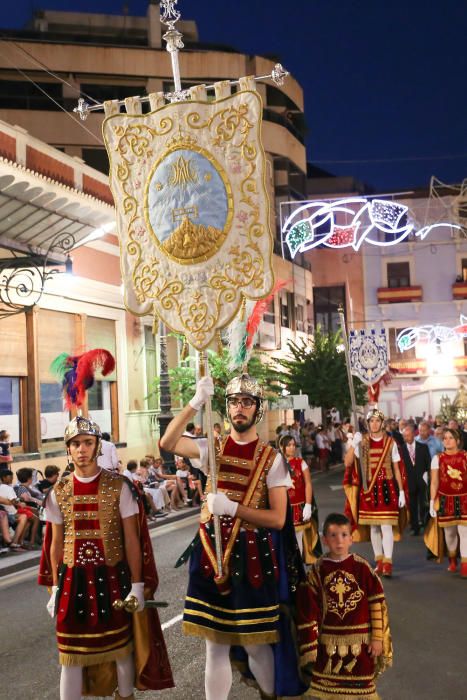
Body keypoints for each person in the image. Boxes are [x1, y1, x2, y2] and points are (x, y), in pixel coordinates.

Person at [160, 373, 309, 700]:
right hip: (209, 556)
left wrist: (233, 508)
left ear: (257, 409)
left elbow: (278, 519)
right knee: (215, 646)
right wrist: (194, 402)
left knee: (256, 645)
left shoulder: (273, 461)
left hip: (253, 560)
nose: (238, 408)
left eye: (246, 402)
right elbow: (167, 443)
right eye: (233, 402)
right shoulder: (210, 449)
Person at [38, 415, 173, 699]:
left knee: (121, 652)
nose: (81, 449)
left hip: (112, 580)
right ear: (68, 449)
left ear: (98, 446)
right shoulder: (57, 492)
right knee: (70, 656)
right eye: (75, 444)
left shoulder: (120, 486)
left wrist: (137, 585)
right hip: (72, 582)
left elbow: (132, 541)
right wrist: (54, 587)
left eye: (87, 442)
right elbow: (56, 544)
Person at [305, 512, 392, 699]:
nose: (339, 541)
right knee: (329, 691)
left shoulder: (362, 568)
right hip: (328, 644)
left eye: (344, 535)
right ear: (324, 539)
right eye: (333, 535)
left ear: (352, 539)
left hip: (360, 644)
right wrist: (310, 643)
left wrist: (377, 637)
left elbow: (376, 601)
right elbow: (309, 609)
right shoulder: (317, 570)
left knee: (361, 690)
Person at [343, 408, 407, 577]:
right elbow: (348, 462)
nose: (374, 423)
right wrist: (353, 444)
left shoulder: (391, 442)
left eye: (377, 420)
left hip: (386, 488)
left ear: (382, 423)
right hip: (369, 489)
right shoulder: (362, 441)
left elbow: (397, 468)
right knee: (374, 527)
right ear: (367, 423)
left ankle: (388, 562)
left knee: (386, 525)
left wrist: (401, 491)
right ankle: (379, 560)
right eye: (371, 421)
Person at [425, 428, 467, 577]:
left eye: (450, 438)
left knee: (464, 532)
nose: (447, 440)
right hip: (445, 499)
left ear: (458, 441)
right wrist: (431, 502)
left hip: (464, 499)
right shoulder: (437, 458)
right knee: (450, 534)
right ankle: (452, 559)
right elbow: (434, 482)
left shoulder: (465, 456)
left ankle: (465, 564)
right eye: (445, 438)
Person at [279, 434, 321, 562]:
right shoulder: (277, 463)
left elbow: (308, 484)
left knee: (298, 539)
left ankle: (298, 569)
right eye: (289, 445)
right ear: (282, 447)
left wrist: (308, 505)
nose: (292, 448)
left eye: (293, 445)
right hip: (283, 507)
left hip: (298, 507)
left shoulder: (300, 463)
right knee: (284, 540)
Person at [400, 425, 431, 535]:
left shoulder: (423, 447)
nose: (406, 438)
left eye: (408, 435)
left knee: (424, 504)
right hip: (409, 482)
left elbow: (428, 464)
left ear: (413, 435)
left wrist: (428, 478)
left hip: (422, 482)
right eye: (404, 436)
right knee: (412, 506)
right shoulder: (401, 450)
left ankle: (424, 523)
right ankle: (414, 527)